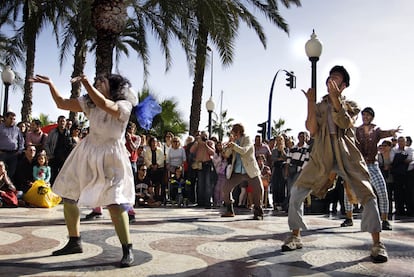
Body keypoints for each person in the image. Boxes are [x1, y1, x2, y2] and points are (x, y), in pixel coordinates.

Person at [281, 65, 388, 263]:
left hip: (346, 154)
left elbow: (345, 123)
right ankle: (295, 236)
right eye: (330, 76)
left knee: (367, 194)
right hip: (321, 153)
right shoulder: (320, 105)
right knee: (297, 191)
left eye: (336, 77)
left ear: (344, 85)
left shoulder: (351, 104)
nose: (331, 78)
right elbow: (312, 128)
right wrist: (310, 103)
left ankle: (377, 244)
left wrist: (336, 99)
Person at [30, 73, 137, 267]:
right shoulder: (89, 102)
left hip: (111, 156)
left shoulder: (124, 104)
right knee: (69, 196)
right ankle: (74, 241)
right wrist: (50, 84)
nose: (97, 83)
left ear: (113, 87)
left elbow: (106, 105)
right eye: (95, 81)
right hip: (87, 152)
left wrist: (87, 84)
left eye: (101, 82)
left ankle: (127, 249)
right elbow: (62, 103)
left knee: (115, 202)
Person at [340, 107, 399, 230]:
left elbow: (384, 133)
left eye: (367, 115)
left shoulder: (376, 129)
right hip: (358, 165)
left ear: (372, 117)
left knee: (382, 191)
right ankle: (349, 218)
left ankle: (385, 220)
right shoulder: (357, 130)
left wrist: (392, 132)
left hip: (372, 165)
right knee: (349, 191)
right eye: (363, 115)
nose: (365, 117)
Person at [221, 123, 264, 219]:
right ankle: (229, 210)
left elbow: (244, 151)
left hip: (250, 170)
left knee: (258, 189)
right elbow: (227, 154)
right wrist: (229, 146)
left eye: (234, 132)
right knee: (226, 189)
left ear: (239, 132)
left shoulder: (247, 139)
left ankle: (258, 212)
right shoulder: (234, 141)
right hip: (237, 171)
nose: (233, 135)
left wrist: (234, 145)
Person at [190, 131, 216, 208]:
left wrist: (205, 144)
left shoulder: (210, 142)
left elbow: (212, 152)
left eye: (205, 136)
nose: (204, 138)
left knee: (207, 184)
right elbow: (191, 150)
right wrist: (197, 143)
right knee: (200, 184)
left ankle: (207, 202)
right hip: (200, 165)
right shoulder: (198, 143)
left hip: (207, 164)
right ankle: (200, 202)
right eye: (202, 136)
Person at [44, 115, 71, 185]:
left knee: (63, 176)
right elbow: (46, 143)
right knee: (53, 175)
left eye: (64, 121)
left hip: (64, 158)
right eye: (61, 121)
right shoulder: (53, 132)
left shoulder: (68, 133)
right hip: (54, 157)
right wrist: (49, 154)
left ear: (65, 123)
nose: (62, 123)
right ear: (58, 122)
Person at [0, 111, 25, 181]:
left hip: (13, 154)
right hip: (2, 153)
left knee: (11, 172)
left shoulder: (17, 129)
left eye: (14, 119)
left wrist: (19, 151)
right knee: (1, 171)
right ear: (6, 118)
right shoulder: (0, 127)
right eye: (10, 118)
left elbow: (21, 141)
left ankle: (8, 187)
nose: (12, 120)